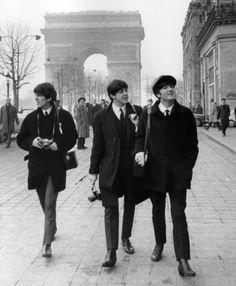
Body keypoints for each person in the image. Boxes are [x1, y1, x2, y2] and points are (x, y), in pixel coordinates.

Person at [135, 75, 199, 277]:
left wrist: (187, 168)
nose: (170, 89)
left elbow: (193, 145)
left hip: (178, 175)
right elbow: (139, 138)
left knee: (179, 214)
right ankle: (159, 244)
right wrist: (138, 153)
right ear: (158, 93)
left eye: (172, 86)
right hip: (155, 173)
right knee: (158, 211)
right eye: (165, 87)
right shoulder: (149, 114)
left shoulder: (185, 114)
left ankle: (183, 260)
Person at [16, 82, 77, 258]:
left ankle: (47, 244)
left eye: (39, 96)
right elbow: (21, 139)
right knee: (44, 202)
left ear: (49, 98)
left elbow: (72, 137)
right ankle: (53, 226)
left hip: (56, 166)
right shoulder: (31, 117)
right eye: (35, 96)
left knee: (50, 203)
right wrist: (32, 143)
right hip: (37, 167)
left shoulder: (63, 116)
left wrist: (59, 144)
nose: (36, 99)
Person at [89, 79, 142, 268]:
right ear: (112, 95)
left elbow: (142, 139)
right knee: (110, 208)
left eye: (126, 90)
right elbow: (98, 146)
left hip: (131, 169)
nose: (125, 94)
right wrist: (93, 171)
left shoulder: (138, 112)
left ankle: (125, 238)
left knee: (130, 204)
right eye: (121, 92)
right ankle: (111, 250)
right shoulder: (100, 116)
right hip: (110, 169)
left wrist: (136, 126)